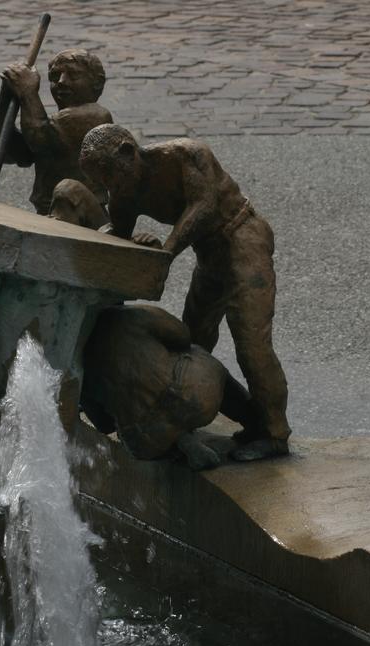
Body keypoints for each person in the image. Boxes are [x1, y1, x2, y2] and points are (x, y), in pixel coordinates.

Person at [79, 124, 291, 457]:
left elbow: (203, 206)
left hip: (243, 236)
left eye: (109, 172)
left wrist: (167, 249)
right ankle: (218, 415)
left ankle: (275, 432)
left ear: (127, 152)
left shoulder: (187, 155)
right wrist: (129, 242)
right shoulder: (123, 191)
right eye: (100, 179)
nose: (109, 185)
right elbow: (117, 236)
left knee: (252, 344)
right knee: (195, 339)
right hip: (209, 254)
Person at [82, 305, 264, 469]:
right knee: (196, 354)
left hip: (149, 438)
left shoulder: (78, 360)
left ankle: (180, 440)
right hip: (193, 392)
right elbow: (182, 335)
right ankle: (253, 421)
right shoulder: (132, 316)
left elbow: (104, 425)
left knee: (131, 432)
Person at [0, 48, 111, 226]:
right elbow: (12, 154)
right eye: (55, 76)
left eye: (73, 75)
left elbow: (39, 138)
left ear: (97, 83)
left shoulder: (94, 116)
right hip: (52, 215)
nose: (61, 82)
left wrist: (27, 92)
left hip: (81, 216)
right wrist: (6, 97)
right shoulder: (57, 125)